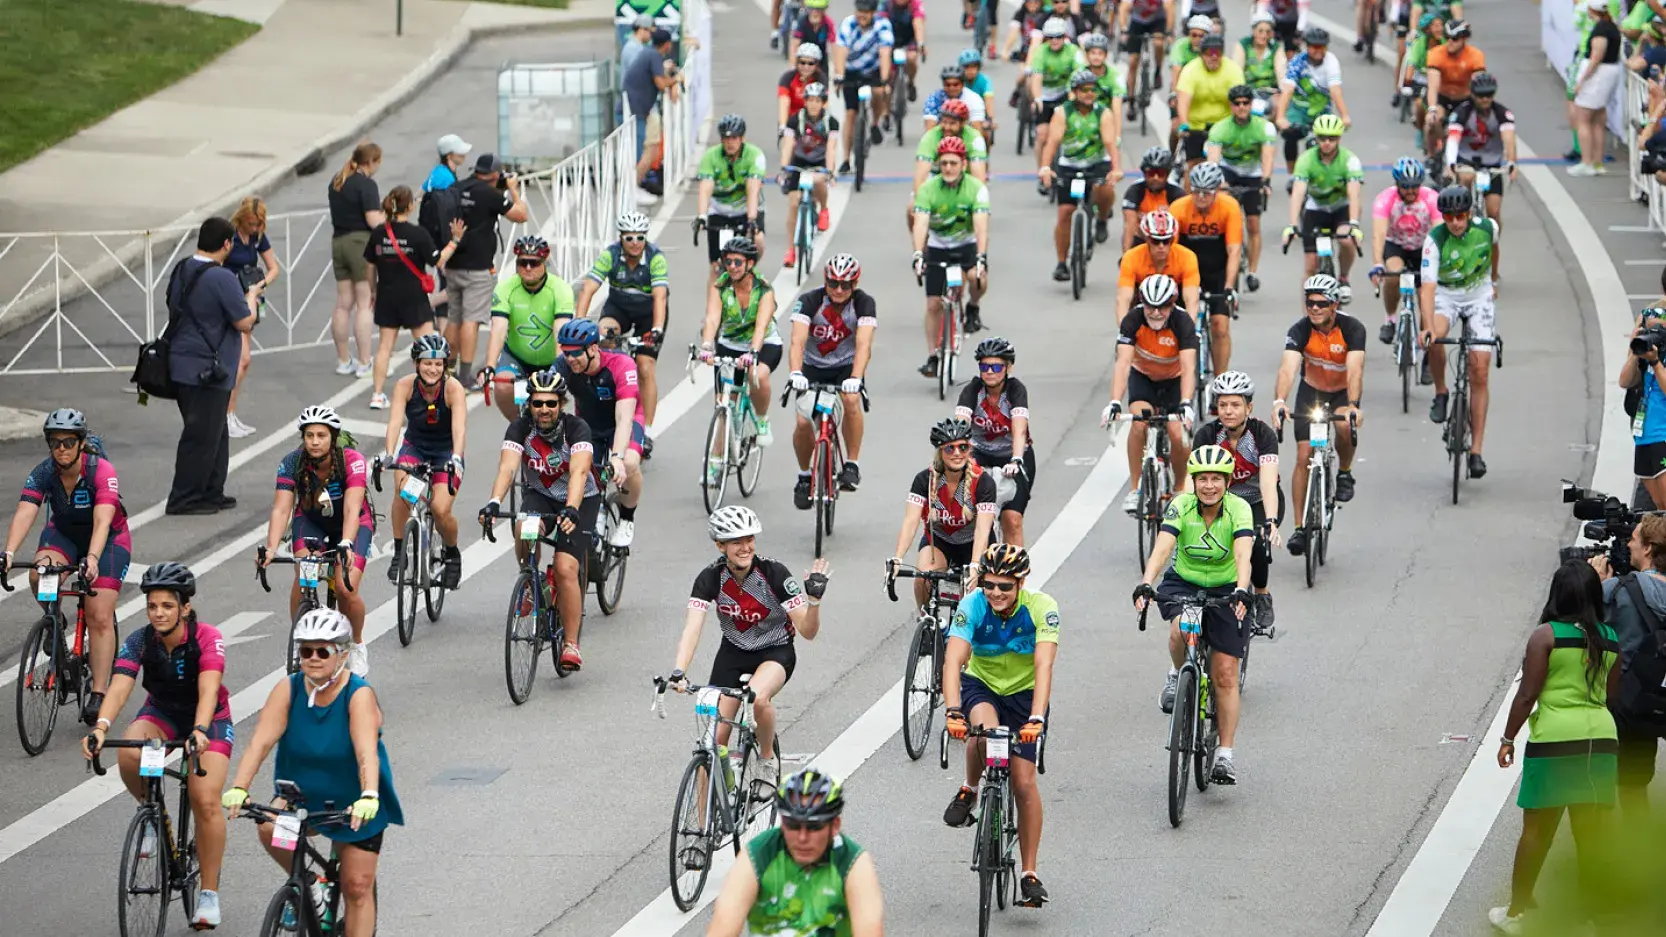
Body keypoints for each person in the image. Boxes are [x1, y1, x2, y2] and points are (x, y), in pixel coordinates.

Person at [223, 607, 403, 937]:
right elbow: (260, 742)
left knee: (357, 886)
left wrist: (369, 795)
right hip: (301, 796)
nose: (313, 658)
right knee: (267, 825)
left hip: (353, 802)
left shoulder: (358, 694)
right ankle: (308, 885)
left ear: (343, 654)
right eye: (306, 651)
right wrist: (240, 786)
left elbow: (366, 753)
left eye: (323, 651)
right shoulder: (288, 689)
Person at [79, 564, 228, 929]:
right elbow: (121, 684)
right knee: (129, 750)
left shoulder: (207, 637)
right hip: (161, 713)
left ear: (185, 608)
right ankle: (152, 816)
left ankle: (208, 893)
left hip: (207, 720)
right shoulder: (140, 639)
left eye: (166, 606)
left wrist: (200, 729)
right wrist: (101, 727)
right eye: (152, 606)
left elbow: (209, 688)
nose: (158, 613)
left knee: (204, 797)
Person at [1487, 561, 1619, 936]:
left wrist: (1508, 738)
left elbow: (1528, 694)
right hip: (1601, 742)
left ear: (1557, 594)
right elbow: (1612, 696)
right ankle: (1586, 920)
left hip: (1556, 741)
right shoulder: (1610, 638)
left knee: (1537, 832)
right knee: (1591, 836)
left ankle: (1517, 914)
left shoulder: (1546, 636)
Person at [667, 507, 830, 787]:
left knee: (756, 697)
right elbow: (692, 628)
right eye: (736, 542)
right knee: (713, 742)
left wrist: (813, 601)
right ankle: (709, 824)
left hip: (774, 651)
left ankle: (766, 758)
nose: (745, 548)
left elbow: (807, 631)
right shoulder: (710, 578)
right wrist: (679, 670)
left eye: (749, 539)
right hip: (733, 653)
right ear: (720, 546)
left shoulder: (774, 573)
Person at [940, 543, 1058, 907]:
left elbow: (1043, 667)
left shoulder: (1043, 607)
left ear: (1021, 583)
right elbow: (952, 661)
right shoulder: (972, 604)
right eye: (989, 584)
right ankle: (971, 788)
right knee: (983, 735)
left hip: (1024, 695)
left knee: (1023, 782)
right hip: (983, 685)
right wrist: (953, 710)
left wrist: (1036, 717)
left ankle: (1029, 873)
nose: (995, 593)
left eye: (1005, 586)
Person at [1132, 445, 1252, 783]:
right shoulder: (1181, 505)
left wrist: (1243, 588)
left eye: (1216, 479)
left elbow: (1243, 554)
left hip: (1227, 589)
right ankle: (1175, 673)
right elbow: (1164, 546)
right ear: (1194, 481)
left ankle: (1225, 755)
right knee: (1179, 631)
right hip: (1184, 582)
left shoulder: (1239, 509)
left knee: (1225, 673)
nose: (1209, 486)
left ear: (1227, 482)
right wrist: (1145, 582)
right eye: (1203, 479)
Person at [3, 409, 130, 723]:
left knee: (98, 611)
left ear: (81, 442)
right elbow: (25, 512)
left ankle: (99, 692)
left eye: (69, 441)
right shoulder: (45, 472)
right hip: (64, 536)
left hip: (108, 539)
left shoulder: (101, 471)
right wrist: (7, 552)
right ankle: (54, 619)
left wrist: (93, 559)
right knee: (38, 573)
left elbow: (102, 521)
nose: (61, 448)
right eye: (55, 442)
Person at [479, 368, 596, 671]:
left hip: (579, 498)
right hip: (541, 493)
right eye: (538, 403)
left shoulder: (577, 428)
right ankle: (529, 580)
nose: (544, 409)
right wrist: (493, 502)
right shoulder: (520, 429)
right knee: (523, 527)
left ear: (561, 404)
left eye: (551, 403)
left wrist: (571, 508)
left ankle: (571, 644)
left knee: (566, 566)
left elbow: (579, 472)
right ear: (529, 404)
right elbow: (507, 468)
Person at [259, 406, 373, 676]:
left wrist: (346, 542)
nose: (315, 441)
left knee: (346, 589)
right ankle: (302, 638)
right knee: (304, 573)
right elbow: (281, 509)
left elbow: (352, 507)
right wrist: (272, 548)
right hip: (311, 521)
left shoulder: (352, 460)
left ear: (333, 437)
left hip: (351, 523)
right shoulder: (292, 462)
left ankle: (356, 644)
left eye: (321, 435)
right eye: (309, 435)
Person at [705, 769, 883, 937]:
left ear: (834, 826)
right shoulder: (758, 855)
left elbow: (870, 929)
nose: (802, 837)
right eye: (793, 825)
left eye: (814, 827)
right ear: (782, 822)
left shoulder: (854, 863)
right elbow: (722, 929)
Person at [164, 216, 255, 516]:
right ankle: (185, 498)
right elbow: (244, 321)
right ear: (227, 244)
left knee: (214, 433)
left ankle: (211, 491)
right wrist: (251, 296)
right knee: (200, 435)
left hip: (181, 363)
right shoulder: (222, 277)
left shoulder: (182, 269)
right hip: (206, 369)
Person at [1271, 274, 1364, 555]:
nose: (1314, 308)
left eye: (1321, 304)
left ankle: (1345, 473)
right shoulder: (1300, 330)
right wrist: (1279, 401)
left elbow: (1356, 369)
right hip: (1310, 392)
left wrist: (1354, 405)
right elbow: (1288, 368)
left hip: (1340, 394)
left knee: (1345, 429)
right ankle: (1300, 528)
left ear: (1334, 305)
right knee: (1303, 457)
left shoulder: (1352, 328)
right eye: (1309, 303)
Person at [1419, 185, 1499, 478]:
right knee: (1434, 336)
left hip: (1479, 296)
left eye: (1460, 216)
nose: (1455, 222)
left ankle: (1476, 451)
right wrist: (1427, 328)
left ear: (1470, 213)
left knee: (1480, 372)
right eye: (1449, 216)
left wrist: (1494, 281)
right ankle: (1441, 391)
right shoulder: (1434, 240)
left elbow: (1495, 250)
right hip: (1446, 295)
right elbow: (1427, 289)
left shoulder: (1488, 228)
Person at [1103, 273, 1200, 513]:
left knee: (1177, 432)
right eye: (1150, 307)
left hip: (1175, 381)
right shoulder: (1132, 320)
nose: (1156, 313)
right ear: (1142, 303)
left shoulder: (1183, 322)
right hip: (1144, 378)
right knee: (1138, 424)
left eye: (1163, 307)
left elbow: (1189, 367)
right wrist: (1114, 402)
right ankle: (1135, 489)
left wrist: (1186, 402)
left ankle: (1179, 487)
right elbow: (1123, 363)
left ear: (1173, 304)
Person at [1192, 371, 1281, 629]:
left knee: (1257, 541)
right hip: (1221, 501)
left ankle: (1262, 595)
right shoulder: (1207, 435)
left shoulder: (1262, 435)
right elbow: (1194, 481)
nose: (1228, 411)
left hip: (1257, 501)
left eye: (1235, 404)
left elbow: (1267, 482)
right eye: (1222, 405)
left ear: (1248, 407)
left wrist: (1272, 521)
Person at [378, 334, 467, 588]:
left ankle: (452, 554)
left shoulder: (453, 389)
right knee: (404, 494)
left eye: (439, 364)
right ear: (416, 363)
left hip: (445, 452)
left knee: (440, 509)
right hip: (414, 448)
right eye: (427, 363)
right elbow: (395, 422)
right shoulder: (404, 386)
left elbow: (459, 429)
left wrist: (457, 458)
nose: (433, 369)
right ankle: (399, 553)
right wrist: (388, 453)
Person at [363, 186, 464, 411]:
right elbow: (439, 260)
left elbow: (369, 267)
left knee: (384, 348)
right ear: (410, 206)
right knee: (430, 346)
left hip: (387, 295)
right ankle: (439, 390)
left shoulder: (379, 233)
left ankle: (377, 394)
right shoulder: (417, 234)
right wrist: (455, 241)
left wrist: (373, 291)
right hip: (414, 297)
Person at [787, 253, 874, 502]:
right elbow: (797, 341)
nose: (838, 290)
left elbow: (864, 344)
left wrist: (856, 378)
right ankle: (804, 476)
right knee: (804, 422)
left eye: (845, 285)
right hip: (813, 366)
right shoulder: (809, 300)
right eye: (833, 283)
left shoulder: (864, 303)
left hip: (846, 368)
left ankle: (852, 465)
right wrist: (795, 372)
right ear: (825, 282)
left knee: (850, 401)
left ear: (854, 285)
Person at [1594, 513, 1666, 818]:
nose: (1629, 545)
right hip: (1652, 705)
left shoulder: (1620, 590)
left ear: (1648, 549)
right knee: (1635, 792)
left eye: (1634, 539)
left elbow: (1585, 624)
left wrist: (1598, 584)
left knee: (1598, 797)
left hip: (1619, 707)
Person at [555, 318, 646, 548]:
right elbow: (544, 390)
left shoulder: (621, 365)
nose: (570, 359)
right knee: (583, 472)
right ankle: (597, 512)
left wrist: (616, 457)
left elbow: (624, 418)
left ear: (594, 348)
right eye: (566, 353)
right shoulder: (564, 365)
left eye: (575, 352)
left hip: (623, 422)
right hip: (590, 425)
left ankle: (627, 518)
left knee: (629, 462)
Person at [889, 418, 998, 609]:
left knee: (977, 598)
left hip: (975, 544)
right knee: (923, 579)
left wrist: (974, 565)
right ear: (940, 451)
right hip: (940, 541)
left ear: (969, 449)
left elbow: (983, 529)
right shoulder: (924, 480)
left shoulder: (983, 481)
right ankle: (928, 622)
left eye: (963, 447)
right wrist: (897, 558)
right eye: (950, 448)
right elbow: (911, 520)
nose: (957, 453)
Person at [576, 213, 669, 431]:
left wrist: (656, 329)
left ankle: (646, 429)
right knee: (604, 337)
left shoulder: (656, 258)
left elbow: (660, 297)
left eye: (640, 238)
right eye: (629, 238)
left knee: (645, 368)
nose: (635, 243)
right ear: (621, 238)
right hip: (619, 309)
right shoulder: (611, 255)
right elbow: (588, 288)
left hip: (648, 313)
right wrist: (578, 323)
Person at [448, 153, 531, 387]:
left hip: (453, 261)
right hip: (477, 266)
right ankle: (465, 376)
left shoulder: (457, 187)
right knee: (471, 320)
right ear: (495, 174)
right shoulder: (491, 195)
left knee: (454, 318)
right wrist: (513, 189)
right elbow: (520, 215)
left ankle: (446, 369)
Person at [912, 136, 991, 375]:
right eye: (944, 163)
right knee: (934, 304)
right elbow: (921, 224)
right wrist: (918, 253)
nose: (948, 168)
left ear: (964, 165)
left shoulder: (976, 189)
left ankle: (973, 306)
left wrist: (981, 257)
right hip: (937, 247)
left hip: (965, 245)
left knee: (977, 278)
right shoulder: (928, 189)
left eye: (953, 163)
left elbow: (981, 226)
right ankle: (933, 356)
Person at [699, 237, 782, 462]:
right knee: (724, 403)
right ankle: (716, 462)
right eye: (728, 262)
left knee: (757, 375)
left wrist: (753, 352)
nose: (732, 267)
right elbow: (713, 319)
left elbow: (761, 326)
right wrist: (707, 345)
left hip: (764, 343)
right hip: (730, 344)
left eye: (738, 262)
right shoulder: (720, 286)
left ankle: (762, 420)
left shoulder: (764, 290)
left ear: (750, 264)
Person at [479, 235, 576, 422]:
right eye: (523, 263)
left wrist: (558, 367)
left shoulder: (560, 289)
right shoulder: (505, 288)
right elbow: (498, 329)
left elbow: (560, 331)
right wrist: (490, 366)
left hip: (551, 360)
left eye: (534, 263)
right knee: (503, 387)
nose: (528, 268)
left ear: (544, 262)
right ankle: (520, 427)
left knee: (552, 400)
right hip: (518, 357)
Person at [1038, 70, 1120, 281]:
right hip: (1069, 166)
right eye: (1084, 90)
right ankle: (1062, 263)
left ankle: (1101, 219)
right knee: (1065, 212)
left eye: (1092, 90)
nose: (1089, 94)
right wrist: (1045, 167)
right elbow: (1053, 142)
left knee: (1105, 190)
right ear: (1074, 92)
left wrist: (1116, 168)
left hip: (1096, 165)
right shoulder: (1063, 113)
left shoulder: (1104, 113)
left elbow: (1110, 143)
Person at [956, 337, 1034, 545]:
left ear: (1008, 367)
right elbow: (960, 426)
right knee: (973, 515)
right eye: (984, 366)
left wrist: (1017, 458)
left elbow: (1019, 429)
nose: (989, 371)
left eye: (996, 366)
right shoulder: (972, 390)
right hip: (980, 454)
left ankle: (1015, 575)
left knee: (1012, 520)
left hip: (1013, 455)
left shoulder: (1016, 390)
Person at [1443, 71, 1515, 286]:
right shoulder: (1462, 112)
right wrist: (1451, 164)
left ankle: (1492, 242)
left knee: (1493, 212)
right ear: (1473, 94)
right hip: (1467, 161)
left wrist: (1511, 163)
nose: (1485, 99)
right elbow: (1453, 140)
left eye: (1489, 95)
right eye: (1481, 95)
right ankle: (1464, 218)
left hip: (1492, 164)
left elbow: (1509, 139)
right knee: (1464, 181)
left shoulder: (1502, 113)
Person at [1170, 162, 1244, 373]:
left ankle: (1220, 383)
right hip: (1186, 271)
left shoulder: (1229, 207)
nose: (1201, 197)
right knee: (1178, 325)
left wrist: (1229, 287)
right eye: (1196, 192)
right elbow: (1172, 251)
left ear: (1217, 191)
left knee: (1220, 326)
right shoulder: (1179, 208)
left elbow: (1233, 251)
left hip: (1217, 270)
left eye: (1207, 193)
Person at [1282, 114, 1364, 297]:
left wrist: (1354, 224)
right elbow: (1298, 193)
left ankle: (1343, 276)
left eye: (1332, 138)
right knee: (1310, 266)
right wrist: (1292, 225)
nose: (1327, 143)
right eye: (1322, 138)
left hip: (1341, 207)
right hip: (1316, 208)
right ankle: (1307, 318)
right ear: (1316, 138)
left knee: (1346, 239)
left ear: (1339, 139)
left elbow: (1354, 194)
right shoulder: (1306, 160)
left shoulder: (1350, 160)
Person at [1206, 84, 1277, 292]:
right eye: (1237, 104)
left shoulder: (1264, 127)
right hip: (1229, 172)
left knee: (1253, 223)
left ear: (1251, 104)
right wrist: (1219, 185)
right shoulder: (1220, 128)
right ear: (1231, 106)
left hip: (1253, 174)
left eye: (1246, 103)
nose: (1242, 107)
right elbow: (1213, 162)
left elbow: (1268, 156)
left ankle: (1252, 272)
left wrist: (1265, 181)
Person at [325, 143, 383, 377]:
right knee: (364, 302)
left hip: (338, 241)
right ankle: (364, 362)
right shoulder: (366, 185)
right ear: (371, 162)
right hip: (360, 243)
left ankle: (343, 360)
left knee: (342, 303)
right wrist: (386, 217)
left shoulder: (337, 181)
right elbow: (372, 220)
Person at [1369, 156, 1440, 344]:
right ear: (1397, 184)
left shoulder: (1431, 198)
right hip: (1396, 245)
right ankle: (1390, 319)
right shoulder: (1385, 199)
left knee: (1425, 294)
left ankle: (1426, 348)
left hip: (1424, 246)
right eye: (1405, 186)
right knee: (1393, 274)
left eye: (1414, 186)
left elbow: (1440, 231)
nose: (1410, 191)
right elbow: (1379, 234)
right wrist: (1377, 263)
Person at [226, 196, 279, 439]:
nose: (254, 228)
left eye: (258, 223)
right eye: (250, 223)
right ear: (241, 219)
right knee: (242, 360)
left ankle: (230, 414)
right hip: (230, 300)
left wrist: (259, 285)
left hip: (249, 298)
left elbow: (273, 267)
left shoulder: (257, 237)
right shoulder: (230, 236)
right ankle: (225, 415)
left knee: (242, 360)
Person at [697, 115, 769, 288]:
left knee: (757, 239)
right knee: (715, 268)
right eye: (726, 138)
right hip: (719, 209)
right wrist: (701, 215)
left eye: (734, 138)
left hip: (746, 207)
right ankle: (711, 313)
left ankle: (749, 269)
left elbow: (753, 188)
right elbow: (705, 188)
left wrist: (752, 219)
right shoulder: (710, 156)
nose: (730, 143)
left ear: (742, 138)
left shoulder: (754, 155)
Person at [778, 82, 841, 269]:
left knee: (819, 181)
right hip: (799, 162)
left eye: (817, 100)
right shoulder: (794, 120)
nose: (813, 104)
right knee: (793, 204)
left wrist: (829, 171)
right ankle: (790, 250)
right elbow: (788, 144)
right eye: (810, 100)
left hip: (819, 162)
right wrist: (784, 167)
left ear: (823, 103)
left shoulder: (831, 122)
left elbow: (831, 148)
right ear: (805, 102)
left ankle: (823, 209)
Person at [832, 0, 896, 172]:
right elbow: (841, 50)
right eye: (859, 11)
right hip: (851, 71)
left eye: (866, 12)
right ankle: (846, 159)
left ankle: (875, 122)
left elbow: (885, 53)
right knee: (850, 115)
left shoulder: (882, 25)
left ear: (874, 12)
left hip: (873, 71)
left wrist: (884, 80)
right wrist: (839, 75)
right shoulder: (848, 24)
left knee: (879, 92)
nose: (862, 16)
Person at [1275, 27, 1348, 177]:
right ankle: (1292, 175)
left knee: (1323, 141)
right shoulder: (1297, 62)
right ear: (1307, 46)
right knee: (1290, 136)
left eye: (1322, 47)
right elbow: (1287, 90)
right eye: (1314, 47)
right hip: (1299, 109)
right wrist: (1280, 117)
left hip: (1321, 110)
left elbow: (1335, 90)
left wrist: (1345, 115)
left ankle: (1322, 174)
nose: (1318, 51)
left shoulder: (1331, 61)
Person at [624, 29, 684, 194]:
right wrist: (676, 80)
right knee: (648, 150)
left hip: (640, 108)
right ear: (666, 44)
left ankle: (636, 186)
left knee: (652, 148)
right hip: (637, 110)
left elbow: (660, 78)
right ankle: (634, 188)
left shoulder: (649, 54)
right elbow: (660, 84)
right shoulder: (653, 56)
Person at [1114, 209, 1202, 323]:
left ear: (1172, 240)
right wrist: (1123, 330)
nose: (1161, 246)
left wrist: (1189, 330)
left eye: (1166, 241)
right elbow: (1123, 299)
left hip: (1177, 302)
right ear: (1147, 239)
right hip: (1144, 303)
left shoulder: (1187, 257)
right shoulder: (1131, 257)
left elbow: (1191, 299)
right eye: (1156, 241)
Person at [1175, 33, 1246, 171]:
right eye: (1209, 53)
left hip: (1223, 125)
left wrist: (1238, 124)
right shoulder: (1191, 70)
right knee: (1193, 167)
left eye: (1218, 53)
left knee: (1227, 166)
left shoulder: (1233, 69)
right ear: (1202, 54)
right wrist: (1184, 124)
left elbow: (1239, 99)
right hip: (1196, 126)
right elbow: (1183, 101)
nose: (1214, 57)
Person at [1026, 18, 1082, 188]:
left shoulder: (1073, 51)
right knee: (1042, 134)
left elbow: (1079, 74)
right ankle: (1042, 172)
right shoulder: (1041, 52)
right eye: (1051, 37)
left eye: (1058, 36)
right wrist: (1037, 99)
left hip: (1065, 93)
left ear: (1064, 36)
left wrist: (1073, 98)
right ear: (1046, 38)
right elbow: (1036, 78)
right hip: (1046, 95)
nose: (1055, 41)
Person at [1422, 19, 1484, 167]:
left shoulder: (1475, 56)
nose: (1449, 42)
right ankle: (1432, 155)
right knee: (1432, 121)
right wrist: (1432, 109)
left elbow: (1479, 86)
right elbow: (1433, 86)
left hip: (1464, 99)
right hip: (1442, 98)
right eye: (1447, 37)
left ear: (1464, 39)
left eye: (1454, 39)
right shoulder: (1436, 54)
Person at [1570, 1, 1622, 177]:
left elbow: (1596, 57)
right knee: (1599, 120)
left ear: (1592, 10)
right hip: (1606, 75)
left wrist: (1581, 81)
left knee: (1583, 119)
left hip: (1598, 77)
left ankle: (1587, 162)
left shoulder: (1601, 30)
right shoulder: (1611, 27)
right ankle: (1597, 162)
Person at [1121, 146, 1188, 253]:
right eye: (1151, 173)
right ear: (1144, 173)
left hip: (1168, 241)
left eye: (1160, 173)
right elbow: (1130, 225)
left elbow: (1182, 226)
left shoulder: (1177, 193)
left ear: (1167, 174)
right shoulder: (1135, 190)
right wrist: (1126, 255)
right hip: (1142, 239)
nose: (1155, 178)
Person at [1120, 0, 1175, 121]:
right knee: (1133, 61)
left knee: (1158, 43)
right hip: (1137, 22)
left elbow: (1169, 6)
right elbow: (1123, 7)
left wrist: (1169, 31)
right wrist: (1124, 29)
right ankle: (1130, 100)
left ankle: (1158, 71)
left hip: (1157, 21)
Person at [881, 0, 927, 106]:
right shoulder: (885, 4)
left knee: (911, 57)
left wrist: (920, 43)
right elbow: (881, 23)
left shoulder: (915, 4)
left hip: (908, 38)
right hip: (890, 37)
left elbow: (918, 22)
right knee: (887, 71)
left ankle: (910, 83)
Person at [1233, 11, 1288, 97]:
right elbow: (1237, 72)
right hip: (1247, 93)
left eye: (1268, 32)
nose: (1264, 35)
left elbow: (1281, 73)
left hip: (1270, 92)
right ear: (1253, 31)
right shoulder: (1243, 45)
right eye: (1260, 31)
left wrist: (1283, 91)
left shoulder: (1276, 48)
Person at [923, 64, 989, 133]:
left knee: (984, 133)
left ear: (963, 84)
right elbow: (930, 130)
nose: (952, 88)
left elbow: (977, 129)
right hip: (942, 133)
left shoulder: (974, 99)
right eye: (948, 85)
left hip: (966, 134)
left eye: (955, 84)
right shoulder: (934, 98)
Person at [777, 44, 829, 128]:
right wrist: (783, 125)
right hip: (791, 122)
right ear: (797, 62)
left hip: (814, 122)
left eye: (810, 63)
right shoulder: (787, 77)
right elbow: (783, 102)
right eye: (802, 62)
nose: (806, 67)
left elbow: (825, 104)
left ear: (817, 65)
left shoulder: (821, 79)